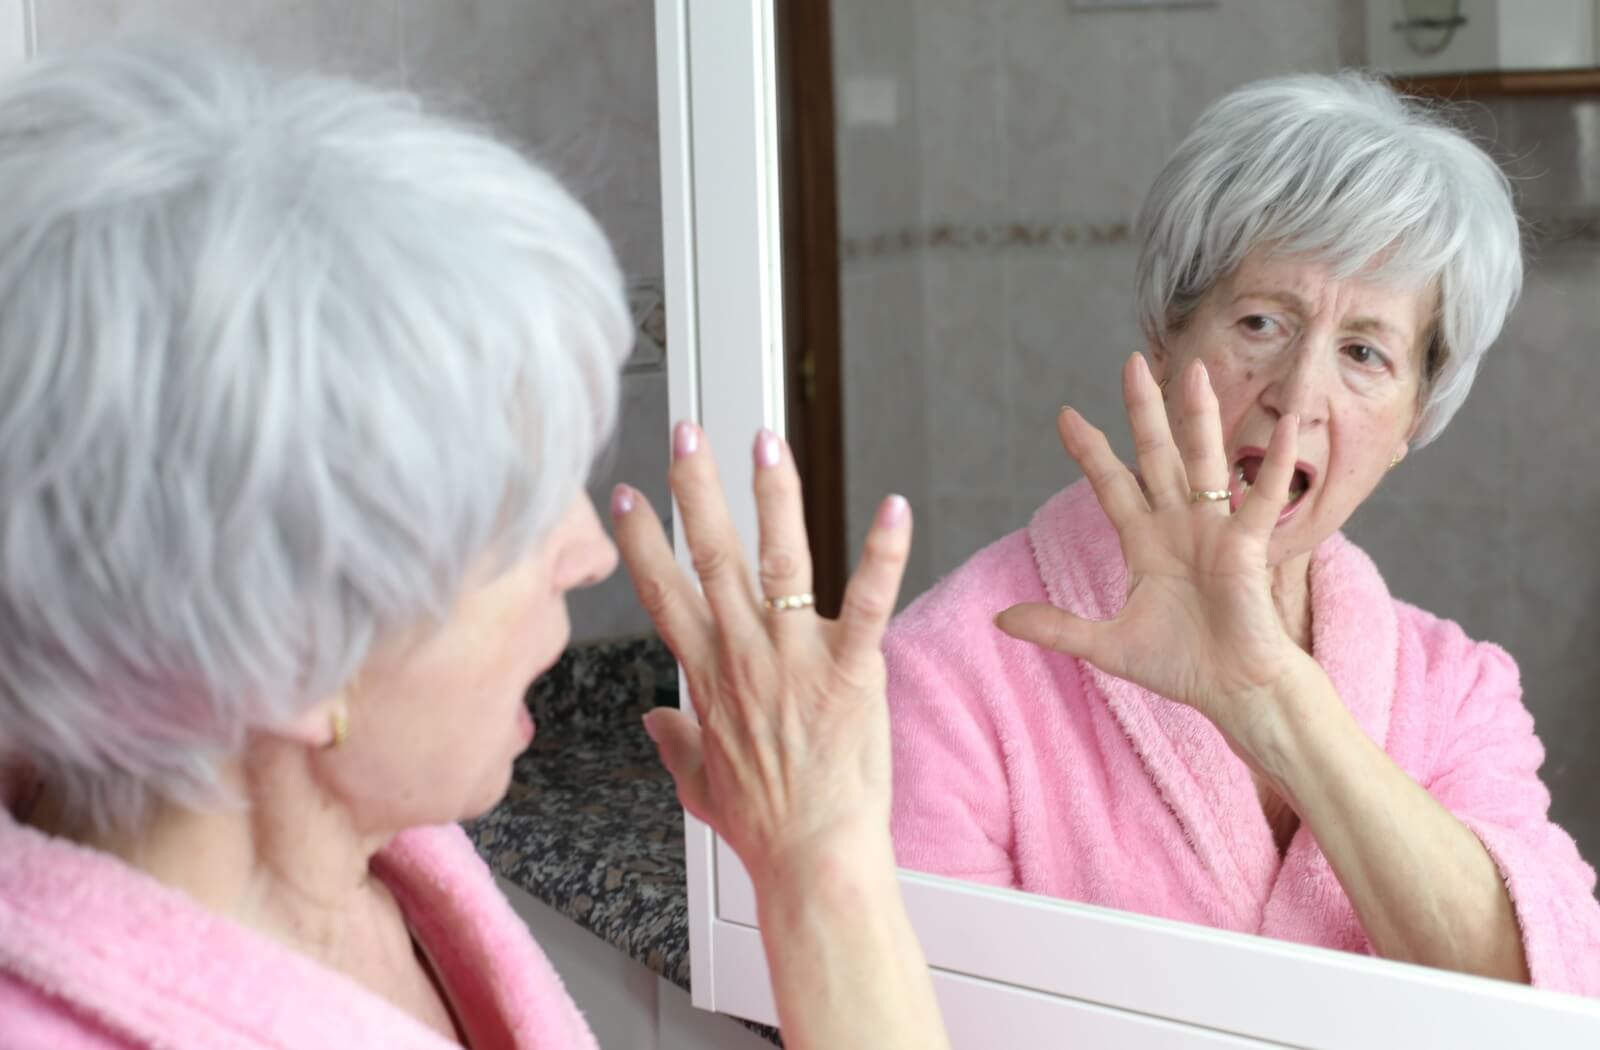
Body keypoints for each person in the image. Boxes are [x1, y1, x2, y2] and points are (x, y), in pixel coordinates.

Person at [0, 42, 949, 1049]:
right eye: (514, 514)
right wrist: (825, 872)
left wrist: (811, 848)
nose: (589, 552)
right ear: (287, 655)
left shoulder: (384, 867)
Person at [885, 71, 1600, 994]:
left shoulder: (1456, 693)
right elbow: (910, 1014)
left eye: (1364, 353)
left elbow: (1556, 993)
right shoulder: (953, 672)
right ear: (1164, 336)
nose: (1298, 395)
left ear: (1413, 422)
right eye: (1262, 321)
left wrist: (1276, 705)